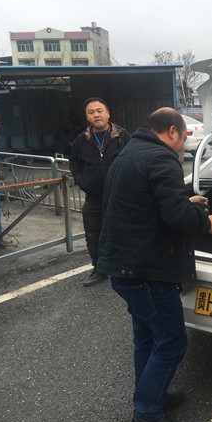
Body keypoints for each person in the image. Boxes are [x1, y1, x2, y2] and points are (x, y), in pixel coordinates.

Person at [97, 107, 212, 422]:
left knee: (147, 338)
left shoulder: (128, 154)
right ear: (172, 131)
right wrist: (207, 222)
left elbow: (144, 203)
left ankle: (153, 396)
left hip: (123, 267)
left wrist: (184, 201)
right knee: (172, 341)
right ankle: (147, 415)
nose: (182, 146)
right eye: (183, 138)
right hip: (147, 270)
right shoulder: (162, 157)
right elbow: (177, 219)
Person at [69, 97, 131, 287]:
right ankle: (99, 269)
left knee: (122, 232)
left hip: (119, 197)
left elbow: (134, 160)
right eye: (91, 112)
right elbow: (74, 162)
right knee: (93, 235)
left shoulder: (123, 137)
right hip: (94, 198)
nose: (96, 115)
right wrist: (82, 181)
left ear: (108, 113)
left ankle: (125, 267)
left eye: (99, 111)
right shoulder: (81, 140)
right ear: (87, 116)